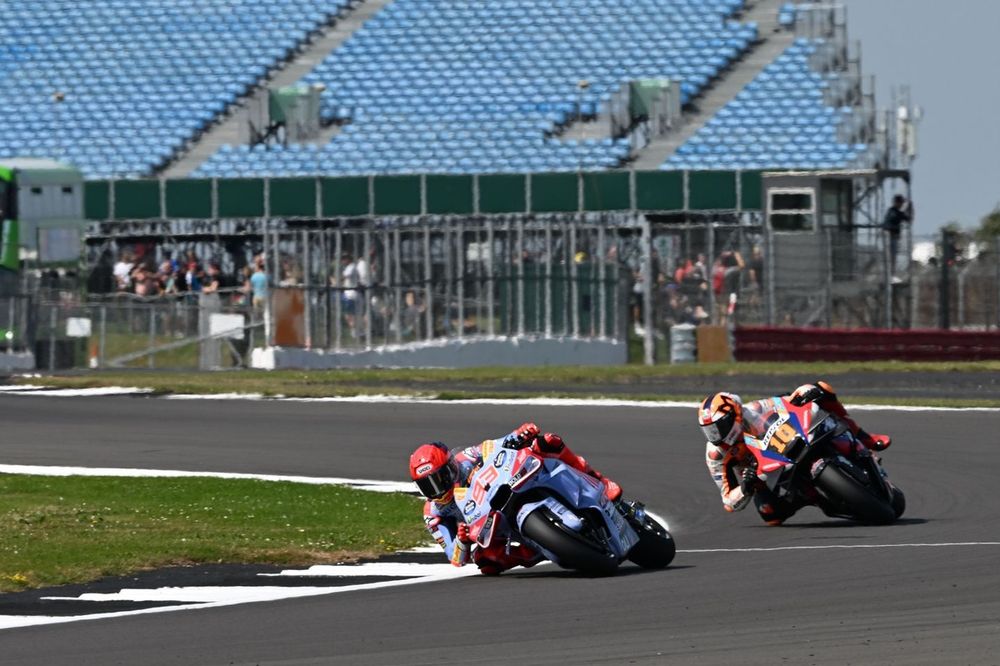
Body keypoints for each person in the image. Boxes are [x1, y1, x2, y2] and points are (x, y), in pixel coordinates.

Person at [409, 422, 622, 575]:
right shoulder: (433, 513)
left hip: (507, 485)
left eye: (439, 479)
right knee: (486, 562)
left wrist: (519, 434)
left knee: (547, 442)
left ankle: (600, 481)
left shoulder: (467, 457)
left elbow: (496, 444)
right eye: (427, 485)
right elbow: (455, 558)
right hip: (489, 526)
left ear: (450, 466)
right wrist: (462, 541)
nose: (436, 490)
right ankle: (539, 549)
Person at [698, 382, 892, 526]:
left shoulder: (755, 409)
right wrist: (746, 487)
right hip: (765, 476)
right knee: (770, 515)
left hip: (791, 444)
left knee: (823, 388)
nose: (716, 435)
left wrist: (805, 392)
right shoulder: (716, 454)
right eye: (710, 431)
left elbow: (786, 401)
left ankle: (864, 438)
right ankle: (810, 497)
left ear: (736, 414)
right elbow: (729, 502)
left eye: (719, 427)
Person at [882, 194, 913, 273]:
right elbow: (889, 223)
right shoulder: (893, 211)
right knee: (891, 257)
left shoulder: (897, 212)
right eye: (900, 203)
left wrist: (910, 209)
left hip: (894, 237)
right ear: (897, 202)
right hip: (890, 237)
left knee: (893, 257)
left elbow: (909, 220)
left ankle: (892, 273)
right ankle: (890, 273)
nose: (902, 204)